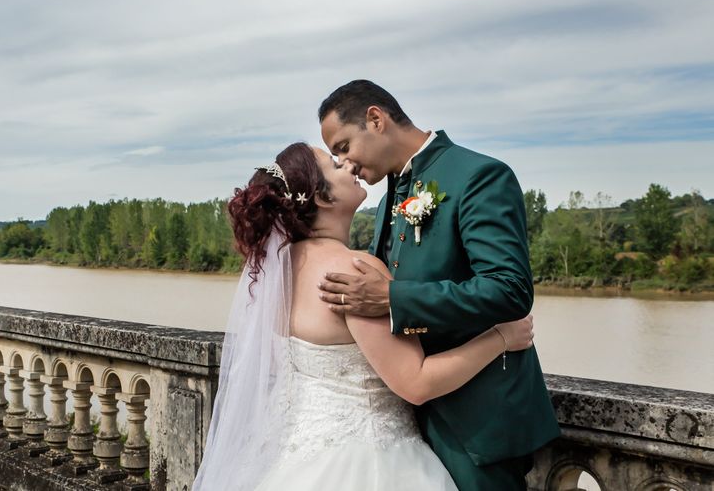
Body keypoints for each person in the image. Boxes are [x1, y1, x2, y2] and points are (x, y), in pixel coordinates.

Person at [192, 142, 536, 491]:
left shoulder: (280, 272)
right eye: (334, 164)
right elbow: (415, 383)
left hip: (296, 458)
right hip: (373, 461)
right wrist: (503, 337)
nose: (348, 165)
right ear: (322, 198)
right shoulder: (354, 270)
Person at [317, 79, 560, 490]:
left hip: (479, 422)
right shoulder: (387, 200)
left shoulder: (479, 175)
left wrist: (393, 299)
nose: (346, 164)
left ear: (375, 119)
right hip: (409, 421)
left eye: (343, 146)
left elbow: (510, 289)